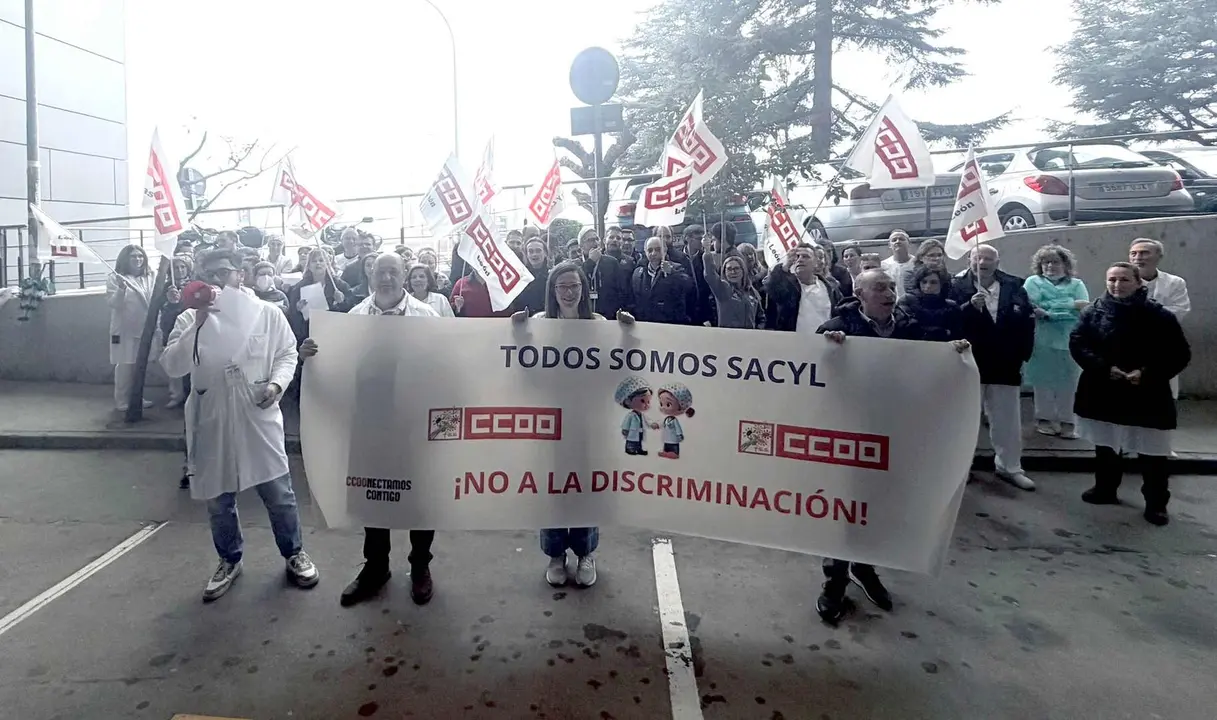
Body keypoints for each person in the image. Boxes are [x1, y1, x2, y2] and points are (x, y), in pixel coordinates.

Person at [160, 249, 318, 601]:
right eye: (209, 273)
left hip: (256, 414)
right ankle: (229, 559)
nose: (217, 280)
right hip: (212, 415)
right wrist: (196, 327)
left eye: (224, 272)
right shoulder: (188, 319)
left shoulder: (266, 313)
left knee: (278, 493)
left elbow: (287, 353)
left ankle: (293, 552)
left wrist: (276, 385)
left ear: (239, 275)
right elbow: (172, 365)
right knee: (218, 499)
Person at [816, 269, 970, 624]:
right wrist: (829, 351)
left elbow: (930, 364)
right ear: (860, 292)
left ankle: (865, 568)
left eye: (890, 287)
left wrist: (954, 355)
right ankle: (834, 582)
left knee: (879, 506)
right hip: (851, 433)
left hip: (894, 432)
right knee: (844, 509)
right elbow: (816, 376)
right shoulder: (838, 327)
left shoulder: (908, 327)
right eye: (879, 287)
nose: (888, 293)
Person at [299, 253, 441, 606]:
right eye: (381, 272)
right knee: (373, 495)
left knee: (421, 498)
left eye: (394, 271)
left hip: (414, 425)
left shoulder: (428, 317)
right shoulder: (353, 318)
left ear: (405, 274)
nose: (387, 278)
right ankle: (376, 567)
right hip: (369, 424)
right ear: (370, 275)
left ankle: (420, 566)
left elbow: (448, 367)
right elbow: (336, 368)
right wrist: (311, 356)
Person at [511, 261, 635, 587]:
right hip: (550, 421)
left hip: (587, 420)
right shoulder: (539, 324)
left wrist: (626, 335)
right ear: (553, 291)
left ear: (584, 289)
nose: (569, 292)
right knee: (553, 487)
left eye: (575, 286)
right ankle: (555, 554)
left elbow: (614, 370)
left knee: (586, 485)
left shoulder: (598, 324)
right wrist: (519, 333)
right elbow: (527, 372)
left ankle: (585, 553)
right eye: (562, 287)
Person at [1070, 262, 1191, 526]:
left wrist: (1146, 373)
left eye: (1124, 280)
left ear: (1138, 283)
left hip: (1146, 393)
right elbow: (1079, 343)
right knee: (1106, 446)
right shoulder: (1093, 311)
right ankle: (1105, 488)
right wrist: (1104, 368)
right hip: (1104, 388)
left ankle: (1156, 503)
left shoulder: (1160, 316)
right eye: (1112, 279)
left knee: (1153, 453)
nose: (1117, 285)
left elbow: (1179, 354)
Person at [952, 244, 1037, 491]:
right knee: (965, 422)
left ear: (997, 262)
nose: (983, 263)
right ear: (970, 260)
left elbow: (1026, 322)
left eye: (988, 258)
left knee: (1008, 420)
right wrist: (969, 307)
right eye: (978, 257)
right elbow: (950, 319)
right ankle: (960, 469)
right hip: (969, 362)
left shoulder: (1014, 285)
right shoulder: (956, 286)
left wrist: (1023, 355)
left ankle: (1009, 468)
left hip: (1006, 362)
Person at [1024, 245, 1089, 438]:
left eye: (1055, 262)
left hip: (1070, 338)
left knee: (1069, 381)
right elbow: (1032, 306)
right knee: (1042, 381)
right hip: (1042, 338)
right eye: (1046, 262)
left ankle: (1067, 421)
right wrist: (1069, 305)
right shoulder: (1032, 282)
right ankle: (1044, 418)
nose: (1050, 266)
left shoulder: (1077, 284)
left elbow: (1083, 307)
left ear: (1065, 264)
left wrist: (1050, 311)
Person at [1128, 238, 1190, 399]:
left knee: (1163, 392)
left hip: (1163, 343)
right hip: (1130, 343)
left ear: (1158, 256)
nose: (1138, 257)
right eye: (1133, 253)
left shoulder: (1175, 283)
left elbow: (1180, 311)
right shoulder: (1122, 282)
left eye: (1144, 253)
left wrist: (1145, 315)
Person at [106, 244, 156, 412]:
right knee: (124, 366)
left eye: (140, 256)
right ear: (125, 259)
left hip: (143, 327)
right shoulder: (115, 278)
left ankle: (136, 397)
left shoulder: (150, 276)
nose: (138, 259)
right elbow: (113, 303)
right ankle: (121, 400)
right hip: (123, 330)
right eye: (133, 256)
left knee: (138, 365)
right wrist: (121, 289)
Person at [764, 243, 843, 333]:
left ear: (816, 263)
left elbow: (841, 315)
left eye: (805, 256)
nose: (800, 260)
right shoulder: (788, 287)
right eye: (797, 257)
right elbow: (772, 288)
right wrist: (785, 266)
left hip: (825, 342)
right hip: (794, 343)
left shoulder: (830, 288)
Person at [286, 248, 353, 343]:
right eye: (314, 261)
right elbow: (292, 314)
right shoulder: (298, 287)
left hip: (334, 332)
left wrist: (342, 302)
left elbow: (351, 309)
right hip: (308, 333)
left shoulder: (339, 285)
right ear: (308, 266)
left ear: (327, 264)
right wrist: (297, 309)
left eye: (321, 260)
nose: (318, 263)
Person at [629, 236, 694, 324]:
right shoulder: (638, 272)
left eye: (658, 249)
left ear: (665, 250)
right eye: (650, 250)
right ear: (645, 252)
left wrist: (672, 272)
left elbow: (688, 286)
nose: (654, 253)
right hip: (646, 322)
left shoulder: (676, 268)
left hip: (670, 322)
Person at [702, 249, 764, 329]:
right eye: (729, 269)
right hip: (728, 337)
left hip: (749, 338)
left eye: (736, 268)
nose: (733, 272)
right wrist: (707, 252)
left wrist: (758, 330)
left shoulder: (752, 292)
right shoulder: (722, 289)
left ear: (743, 271)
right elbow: (710, 275)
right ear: (724, 272)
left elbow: (761, 317)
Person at [898, 265, 962, 342]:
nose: (928, 286)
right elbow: (908, 329)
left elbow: (957, 334)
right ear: (919, 283)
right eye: (924, 282)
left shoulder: (952, 306)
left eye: (933, 282)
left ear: (942, 285)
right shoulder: (907, 301)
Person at [580, 229, 630, 319]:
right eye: (590, 240)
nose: (595, 243)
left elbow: (622, 292)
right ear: (581, 245)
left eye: (596, 239)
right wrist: (590, 262)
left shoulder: (611, 262)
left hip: (608, 317)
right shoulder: (576, 264)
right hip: (584, 316)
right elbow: (579, 278)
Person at [511, 237, 550, 314]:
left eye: (538, 251)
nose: (534, 254)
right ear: (526, 254)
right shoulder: (521, 277)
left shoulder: (553, 275)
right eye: (531, 251)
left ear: (545, 253)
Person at [880, 230, 915, 298]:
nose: (898, 241)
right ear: (889, 245)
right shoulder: (883, 265)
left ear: (909, 243)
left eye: (901, 239)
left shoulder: (917, 263)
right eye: (894, 240)